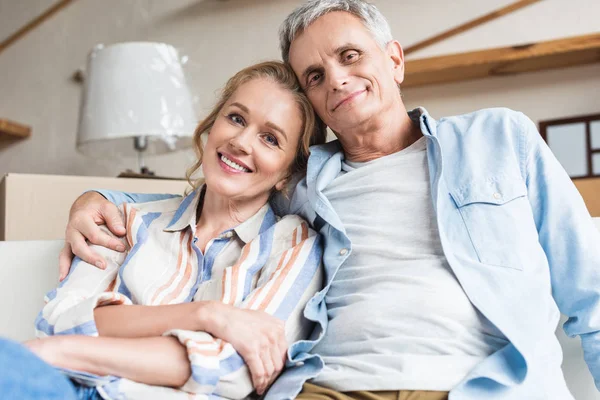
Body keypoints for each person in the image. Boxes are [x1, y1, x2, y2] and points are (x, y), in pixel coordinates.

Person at [54, 1, 600, 399]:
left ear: (394, 61)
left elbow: (592, 298)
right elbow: (218, 189)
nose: (337, 79)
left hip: (485, 386)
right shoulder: (302, 182)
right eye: (315, 75)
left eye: (349, 55)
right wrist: (96, 196)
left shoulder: (500, 138)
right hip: (327, 387)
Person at [1, 61, 327, 400]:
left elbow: (238, 369)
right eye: (236, 118)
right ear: (213, 123)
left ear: (288, 173)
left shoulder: (292, 247)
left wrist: (61, 353)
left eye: (270, 138)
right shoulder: (127, 221)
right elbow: (61, 320)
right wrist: (207, 315)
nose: (241, 142)